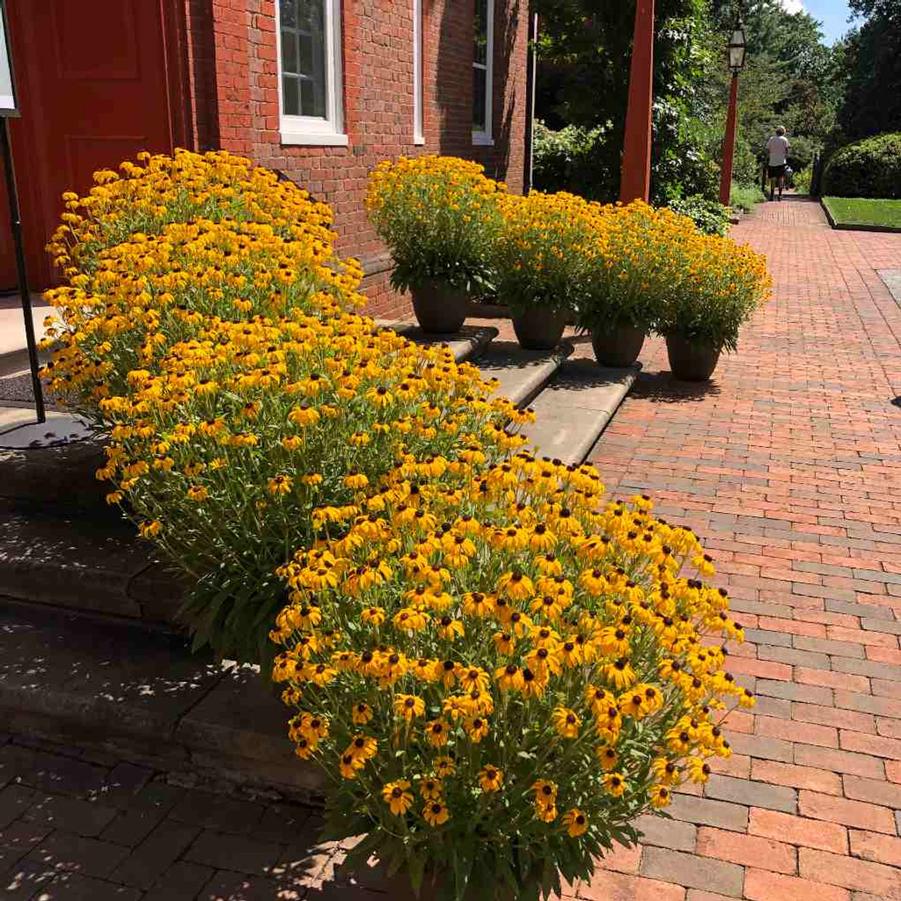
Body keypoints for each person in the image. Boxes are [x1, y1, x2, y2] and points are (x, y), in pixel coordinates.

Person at [765, 126, 790, 201]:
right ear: (783, 132)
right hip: (781, 161)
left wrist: (770, 156)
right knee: (780, 178)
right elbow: (787, 150)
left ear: (776, 132)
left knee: (773, 178)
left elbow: (767, 149)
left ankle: (772, 196)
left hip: (772, 161)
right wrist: (785, 156)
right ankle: (779, 195)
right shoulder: (785, 139)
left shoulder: (771, 139)